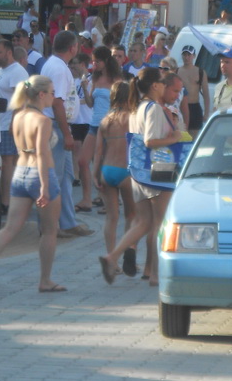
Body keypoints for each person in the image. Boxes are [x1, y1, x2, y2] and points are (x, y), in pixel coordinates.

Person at [0, 75, 65, 293]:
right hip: (40, 173)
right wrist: (44, 186)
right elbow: (41, 153)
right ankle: (45, 280)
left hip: (20, 172)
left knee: (10, 227)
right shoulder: (43, 121)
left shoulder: (18, 116)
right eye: (51, 92)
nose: (53, 96)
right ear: (41, 94)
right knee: (50, 230)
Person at [99, 67, 184, 286]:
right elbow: (150, 141)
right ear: (155, 85)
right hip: (159, 170)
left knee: (144, 221)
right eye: (163, 83)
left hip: (139, 171)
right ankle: (155, 274)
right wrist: (174, 138)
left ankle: (112, 256)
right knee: (159, 223)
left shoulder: (138, 108)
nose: (165, 86)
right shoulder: (153, 108)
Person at [40, 31, 92, 238]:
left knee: (65, 177)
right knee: (55, 178)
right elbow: (57, 102)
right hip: (55, 127)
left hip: (57, 126)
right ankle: (49, 225)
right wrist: (66, 133)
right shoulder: (59, 69)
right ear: (73, 48)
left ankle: (67, 221)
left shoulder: (54, 65)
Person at [92, 82, 137, 275]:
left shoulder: (105, 121)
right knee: (131, 217)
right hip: (126, 171)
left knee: (111, 218)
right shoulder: (134, 119)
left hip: (107, 170)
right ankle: (128, 253)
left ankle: (111, 259)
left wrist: (95, 175)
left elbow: (98, 151)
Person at [78, 47, 122, 214]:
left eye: (97, 61)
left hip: (110, 126)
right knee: (83, 161)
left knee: (105, 165)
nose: (94, 64)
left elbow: (122, 102)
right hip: (94, 124)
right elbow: (90, 103)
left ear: (106, 61)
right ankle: (86, 198)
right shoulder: (95, 78)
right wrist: (84, 87)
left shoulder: (116, 78)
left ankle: (110, 201)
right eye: (93, 61)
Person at [0, 39, 29, 214]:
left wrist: (15, 122)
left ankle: (6, 202)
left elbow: (21, 99)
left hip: (9, 124)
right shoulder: (1, 70)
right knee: (5, 163)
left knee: (8, 163)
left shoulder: (18, 72)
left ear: (9, 52)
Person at [69, 53, 94, 212]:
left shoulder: (89, 80)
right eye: (71, 66)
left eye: (75, 65)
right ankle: (76, 176)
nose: (72, 69)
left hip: (87, 119)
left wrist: (77, 101)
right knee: (76, 146)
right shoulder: (73, 80)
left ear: (83, 64)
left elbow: (89, 100)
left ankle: (87, 177)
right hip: (76, 119)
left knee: (85, 151)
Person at [177, 45, 210, 137]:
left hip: (194, 107)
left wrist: (206, 113)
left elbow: (206, 94)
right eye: (184, 55)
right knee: (181, 136)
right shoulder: (177, 71)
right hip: (181, 107)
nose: (186, 57)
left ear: (194, 56)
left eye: (189, 55)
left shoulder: (200, 72)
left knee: (193, 138)